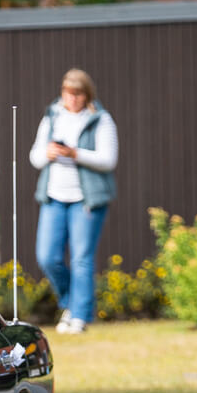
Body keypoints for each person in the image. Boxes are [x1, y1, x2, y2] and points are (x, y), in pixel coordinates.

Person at [28, 67, 118, 333]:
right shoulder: (52, 117)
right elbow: (35, 157)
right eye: (68, 93)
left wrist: (76, 153)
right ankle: (72, 303)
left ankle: (79, 316)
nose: (73, 99)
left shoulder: (100, 119)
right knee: (47, 257)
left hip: (85, 200)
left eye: (78, 94)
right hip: (54, 197)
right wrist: (50, 153)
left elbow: (108, 160)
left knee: (81, 258)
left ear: (86, 95)